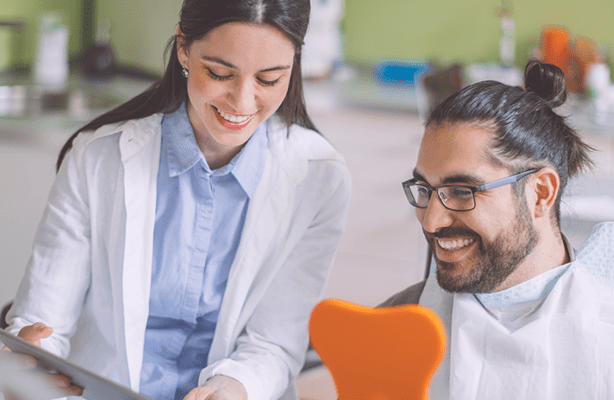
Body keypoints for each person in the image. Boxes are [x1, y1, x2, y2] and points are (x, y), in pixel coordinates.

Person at [1, 0, 351, 399]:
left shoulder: (319, 177)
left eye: (269, 80)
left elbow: (274, 343)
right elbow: (43, 320)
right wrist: (30, 359)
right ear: (183, 48)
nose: (241, 101)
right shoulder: (97, 158)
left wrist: (236, 388)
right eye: (219, 73)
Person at [380, 60, 614, 399]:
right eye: (425, 190)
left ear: (541, 193)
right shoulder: (388, 328)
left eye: (462, 191)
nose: (431, 220)